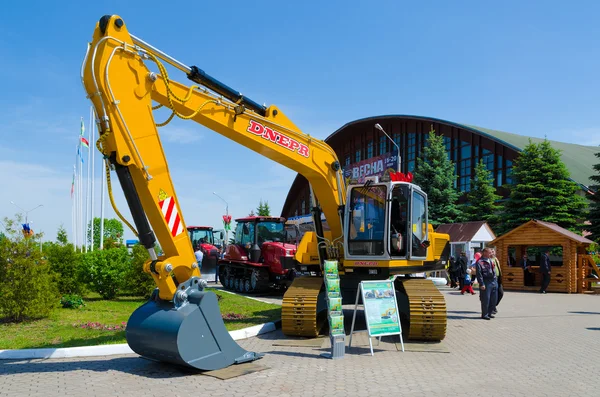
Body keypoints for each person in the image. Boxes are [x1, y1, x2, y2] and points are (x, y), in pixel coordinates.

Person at [475, 247, 498, 320]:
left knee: (493, 299)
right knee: (486, 299)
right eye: (489, 252)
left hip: (493, 281)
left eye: (491, 252)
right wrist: (481, 284)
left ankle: (490, 312)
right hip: (486, 281)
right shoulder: (480, 262)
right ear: (485, 253)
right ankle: (484, 314)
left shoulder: (491, 260)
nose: (491, 253)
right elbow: (479, 274)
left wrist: (495, 280)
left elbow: (494, 270)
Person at [490, 247, 503, 311]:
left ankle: (494, 305)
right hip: (493, 279)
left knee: (501, 293)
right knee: (493, 294)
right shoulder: (489, 260)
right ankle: (492, 307)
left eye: (493, 251)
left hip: (498, 278)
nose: (492, 253)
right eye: (491, 252)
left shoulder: (495, 259)